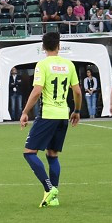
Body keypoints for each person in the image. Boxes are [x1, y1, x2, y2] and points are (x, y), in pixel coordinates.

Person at [18, 31, 82, 207]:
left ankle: (48, 188)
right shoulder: (69, 65)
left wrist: (25, 112)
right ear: (59, 46)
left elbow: (37, 90)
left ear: (43, 47)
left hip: (48, 115)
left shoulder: (42, 64)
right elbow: (77, 91)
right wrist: (76, 110)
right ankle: (53, 198)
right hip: (63, 115)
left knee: (29, 152)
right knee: (52, 155)